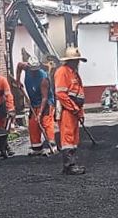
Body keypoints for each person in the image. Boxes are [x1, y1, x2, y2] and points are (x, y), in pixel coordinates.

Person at [54, 46, 87, 175]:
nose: (77, 62)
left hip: (74, 110)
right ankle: (69, 166)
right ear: (69, 60)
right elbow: (61, 94)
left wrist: (80, 112)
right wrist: (74, 109)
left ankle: (72, 164)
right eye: (75, 60)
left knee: (74, 139)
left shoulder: (74, 73)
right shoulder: (62, 72)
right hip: (67, 111)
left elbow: (79, 94)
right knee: (68, 139)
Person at [17, 57, 55, 156]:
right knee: (33, 124)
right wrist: (18, 80)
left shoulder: (43, 78)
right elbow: (19, 65)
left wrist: (40, 114)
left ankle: (51, 146)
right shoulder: (25, 67)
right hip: (33, 102)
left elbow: (44, 98)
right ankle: (37, 147)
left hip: (46, 103)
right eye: (32, 70)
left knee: (45, 122)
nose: (34, 72)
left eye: (36, 70)